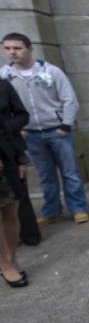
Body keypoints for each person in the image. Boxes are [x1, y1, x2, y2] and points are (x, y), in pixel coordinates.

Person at [0, 33, 89, 225]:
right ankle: (52, 211)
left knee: (70, 172)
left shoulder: (51, 72)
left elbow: (69, 99)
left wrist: (66, 125)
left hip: (57, 130)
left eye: (17, 48)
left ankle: (78, 208)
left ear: (29, 49)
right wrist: (16, 130)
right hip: (29, 134)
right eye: (7, 48)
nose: (12, 52)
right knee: (45, 175)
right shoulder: (4, 76)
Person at [0, 79, 30, 287]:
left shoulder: (3, 85)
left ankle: (11, 259)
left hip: (8, 154)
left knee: (10, 214)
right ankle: (4, 266)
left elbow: (22, 115)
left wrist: (21, 157)